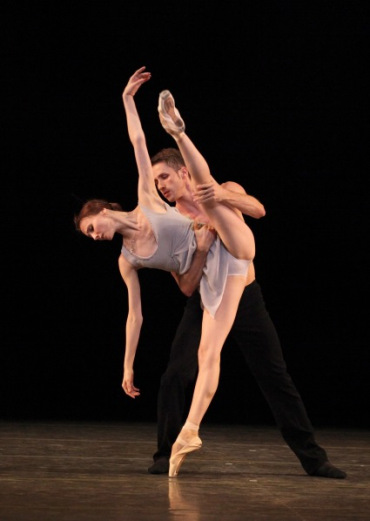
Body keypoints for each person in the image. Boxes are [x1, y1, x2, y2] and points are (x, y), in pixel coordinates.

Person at [74, 66, 256, 477]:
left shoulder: (146, 199)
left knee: (211, 197)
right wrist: (126, 365)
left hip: (225, 240)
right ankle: (190, 431)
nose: (95, 236)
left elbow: (137, 141)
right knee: (208, 353)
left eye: (92, 228)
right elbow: (134, 315)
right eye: (89, 237)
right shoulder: (127, 261)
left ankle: (177, 131)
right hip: (215, 275)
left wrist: (126, 99)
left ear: (103, 212)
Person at [146, 111, 347, 479]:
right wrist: (202, 249)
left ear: (183, 173)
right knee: (177, 373)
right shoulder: (173, 224)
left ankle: (314, 459)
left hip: (246, 294)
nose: (160, 185)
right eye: (155, 180)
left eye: (165, 177)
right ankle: (165, 453)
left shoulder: (224, 189)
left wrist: (221, 194)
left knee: (275, 376)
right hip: (207, 295)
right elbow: (187, 285)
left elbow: (258, 209)